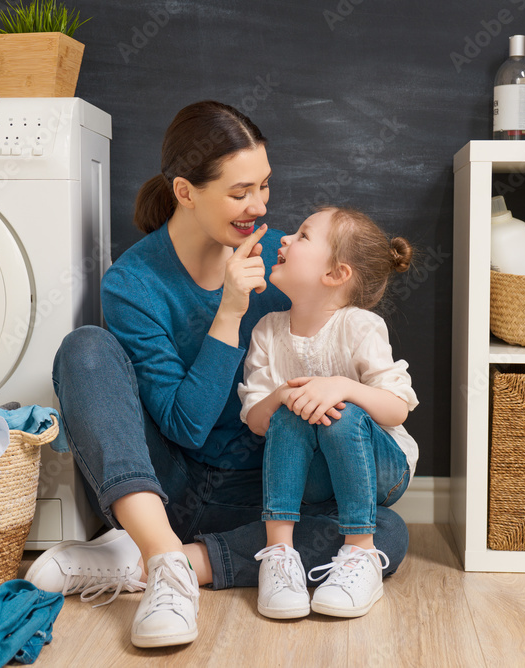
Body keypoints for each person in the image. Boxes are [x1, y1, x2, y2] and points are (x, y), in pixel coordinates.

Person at [24, 101, 410, 648]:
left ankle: (156, 561)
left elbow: (348, 342)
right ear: (185, 191)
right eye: (239, 193)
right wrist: (229, 312)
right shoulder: (133, 283)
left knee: (384, 532)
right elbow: (187, 427)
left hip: (266, 486)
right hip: (165, 482)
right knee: (84, 349)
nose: (258, 207)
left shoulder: (284, 261)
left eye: (265, 186)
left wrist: (343, 404)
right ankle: (162, 555)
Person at [239, 206, 417, 620]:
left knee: (344, 414)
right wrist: (283, 394)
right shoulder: (267, 329)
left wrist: (344, 387)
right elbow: (255, 420)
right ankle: (279, 558)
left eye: (301, 236)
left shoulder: (360, 326)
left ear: (336, 274)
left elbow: (397, 409)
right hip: (316, 483)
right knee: (287, 410)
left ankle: (359, 553)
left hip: (382, 470)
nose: (282, 240)